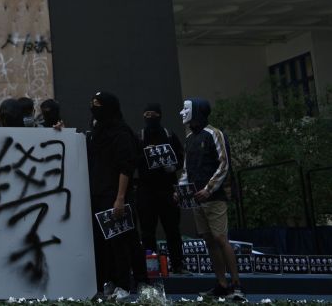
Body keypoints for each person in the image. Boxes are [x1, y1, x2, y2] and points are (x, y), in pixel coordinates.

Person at [180, 98, 242, 300]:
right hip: (198, 199)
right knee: (209, 241)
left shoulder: (215, 134)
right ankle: (221, 284)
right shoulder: (189, 138)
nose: (182, 113)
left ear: (196, 112)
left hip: (215, 197)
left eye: (186, 109)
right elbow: (186, 169)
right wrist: (180, 189)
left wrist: (209, 188)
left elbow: (224, 164)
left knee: (220, 238)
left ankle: (236, 285)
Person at [86, 91, 145, 299]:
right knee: (104, 243)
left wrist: (120, 198)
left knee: (120, 242)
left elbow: (126, 167)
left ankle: (125, 285)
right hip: (99, 195)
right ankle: (110, 281)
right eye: (92, 104)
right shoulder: (97, 132)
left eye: (98, 105)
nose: (93, 109)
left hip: (116, 196)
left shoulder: (121, 133)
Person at [137, 103, 187, 275]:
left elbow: (181, 157)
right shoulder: (140, 137)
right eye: (146, 114)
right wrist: (146, 156)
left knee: (172, 229)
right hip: (146, 190)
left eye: (152, 114)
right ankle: (150, 268)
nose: (149, 117)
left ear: (159, 115)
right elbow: (132, 160)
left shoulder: (169, 135)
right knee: (147, 231)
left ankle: (178, 265)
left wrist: (173, 166)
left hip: (167, 189)